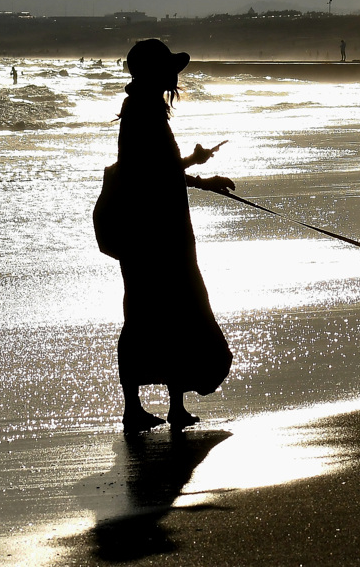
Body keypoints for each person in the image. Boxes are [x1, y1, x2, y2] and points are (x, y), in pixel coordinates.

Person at [113, 38, 235, 433]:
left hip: (163, 232)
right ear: (154, 72)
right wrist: (199, 175)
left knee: (173, 313)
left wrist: (198, 171)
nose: (174, 76)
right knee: (150, 315)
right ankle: (134, 408)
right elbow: (147, 173)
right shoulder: (140, 112)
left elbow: (157, 169)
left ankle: (174, 405)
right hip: (152, 236)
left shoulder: (146, 109)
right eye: (168, 69)